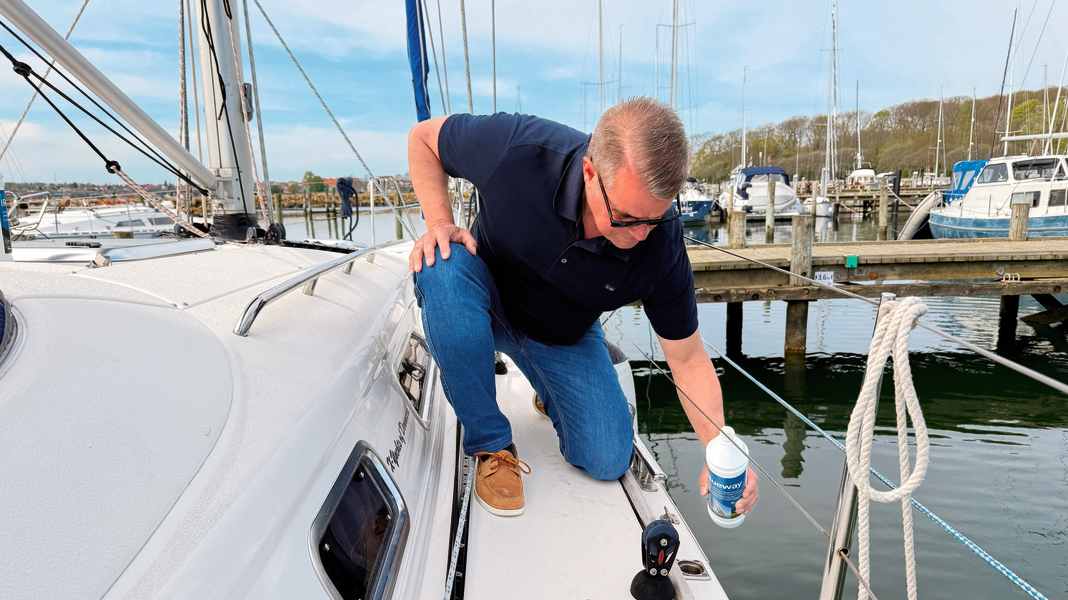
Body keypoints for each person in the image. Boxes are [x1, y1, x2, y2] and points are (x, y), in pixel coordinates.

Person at [406, 98, 758, 517]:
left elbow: (687, 358)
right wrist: (440, 224)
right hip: (486, 300)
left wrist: (719, 446)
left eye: (656, 218)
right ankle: (490, 443)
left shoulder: (661, 242)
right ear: (591, 172)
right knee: (441, 267)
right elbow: (424, 139)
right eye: (628, 217)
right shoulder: (518, 148)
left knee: (608, 458)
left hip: (561, 332)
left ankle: (549, 388)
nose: (642, 234)